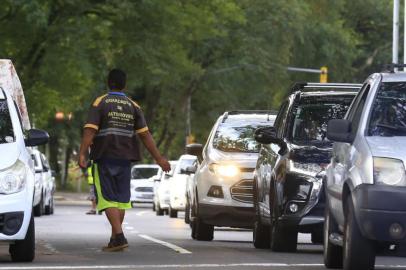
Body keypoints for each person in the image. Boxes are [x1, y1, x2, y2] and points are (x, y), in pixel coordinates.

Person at [78, 69, 171, 252]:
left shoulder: (100, 102)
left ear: (108, 82)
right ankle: (114, 239)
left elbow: (90, 131)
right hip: (125, 159)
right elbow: (145, 136)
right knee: (120, 200)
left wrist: (82, 154)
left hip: (104, 156)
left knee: (107, 199)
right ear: (124, 85)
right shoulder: (133, 106)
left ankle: (119, 236)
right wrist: (159, 159)